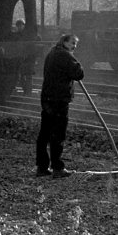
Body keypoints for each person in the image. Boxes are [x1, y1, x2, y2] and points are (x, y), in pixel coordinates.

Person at [36, 34, 84, 179]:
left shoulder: (52, 53)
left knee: (44, 134)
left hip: (47, 98)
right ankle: (58, 168)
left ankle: (42, 167)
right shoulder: (65, 55)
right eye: (72, 43)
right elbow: (79, 74)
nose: (74, 46)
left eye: (76, 43)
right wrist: (75, 61)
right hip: (59, 100)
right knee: (58, 134)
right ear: (64, 42)